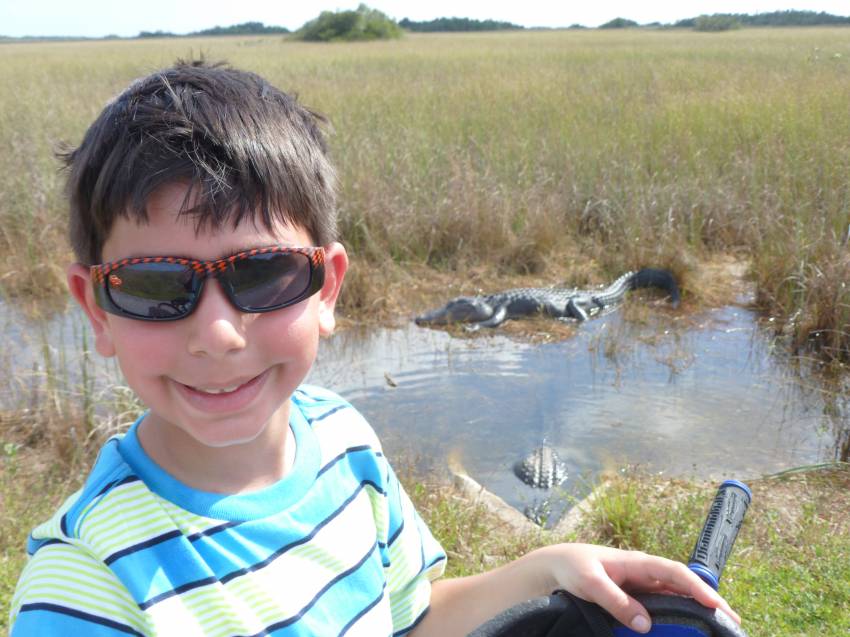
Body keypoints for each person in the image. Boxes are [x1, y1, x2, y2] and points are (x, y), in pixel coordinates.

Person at [8, 60, 739, 637]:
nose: (218, 334)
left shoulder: (342, 439)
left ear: (327, 289)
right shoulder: (88, 588)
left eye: (264, 272)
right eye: (154, 286)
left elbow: (410, 619)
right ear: (96, 309)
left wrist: (549, 565)